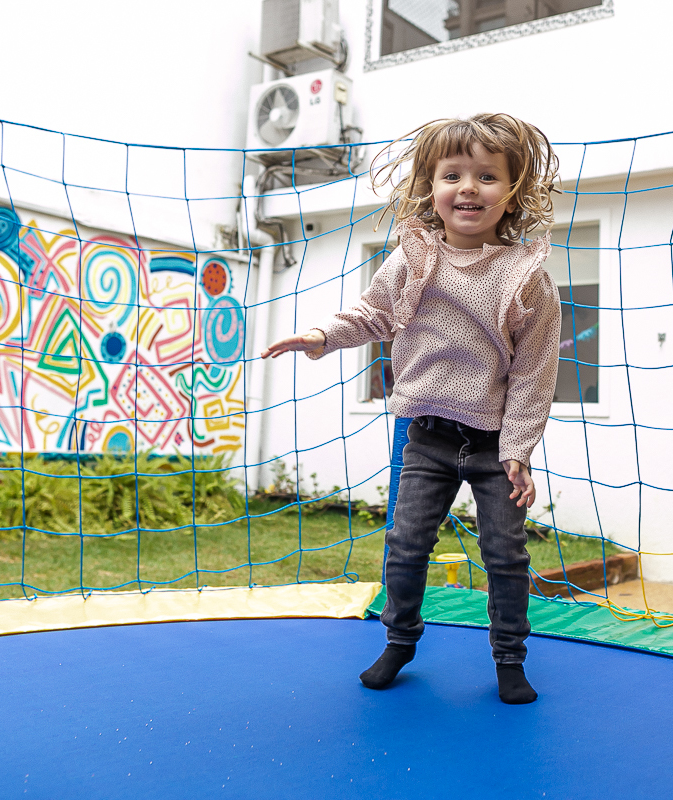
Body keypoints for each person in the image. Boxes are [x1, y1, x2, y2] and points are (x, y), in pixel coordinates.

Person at [262, 113, 561, 704]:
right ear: (431, 187)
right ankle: (400, 639)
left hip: (494, 444)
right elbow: (372, 315)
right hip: (425, 435)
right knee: (405, 544)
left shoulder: (526, 278)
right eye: (453, 174)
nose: (468, 187)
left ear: (513, 193)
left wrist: (518, 451)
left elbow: (534, 372)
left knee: (504, 553)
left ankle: (509, 658)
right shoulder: (410, 260)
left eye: (487, 177)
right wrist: (322, 336)